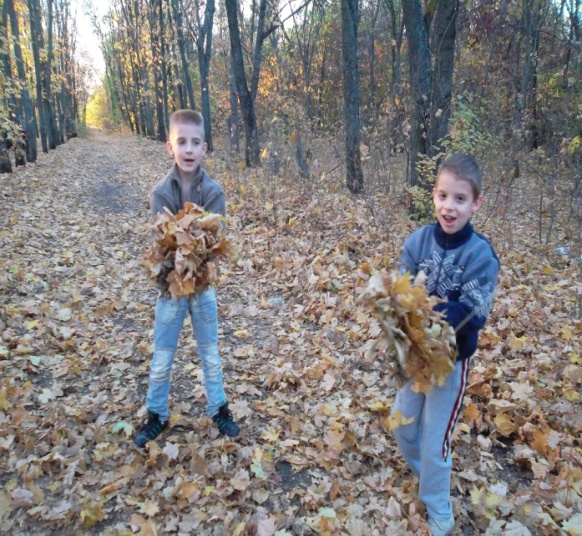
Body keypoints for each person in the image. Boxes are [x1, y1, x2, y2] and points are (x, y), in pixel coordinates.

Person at [391, 154, 499, 535]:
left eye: (459, 199)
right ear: (433, 196)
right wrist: (396, 308)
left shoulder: (480, 254)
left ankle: (439, 509)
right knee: (402, 426)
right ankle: (427, 474)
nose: (448, 207)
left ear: (476, 203)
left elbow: (473, 312)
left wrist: (429, 311)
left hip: (450, 362)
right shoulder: (418, 241)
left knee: (436, 440)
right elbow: (400, 287)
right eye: (442, 196)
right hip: (415, 356)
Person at [134, 109, 239, 447]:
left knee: (210, 352)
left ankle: (218, 408)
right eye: (182, 142)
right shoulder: (161, 192)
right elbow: (161, 247)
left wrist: (191, 244)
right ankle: (156, 414)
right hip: (171, 289)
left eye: (195, 142)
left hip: (202, 287)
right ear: (170, 147)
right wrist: (182, 248)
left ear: (205, 148)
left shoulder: (214, 192)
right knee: (163, 355)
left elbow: (214, 242)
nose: (189, 149)